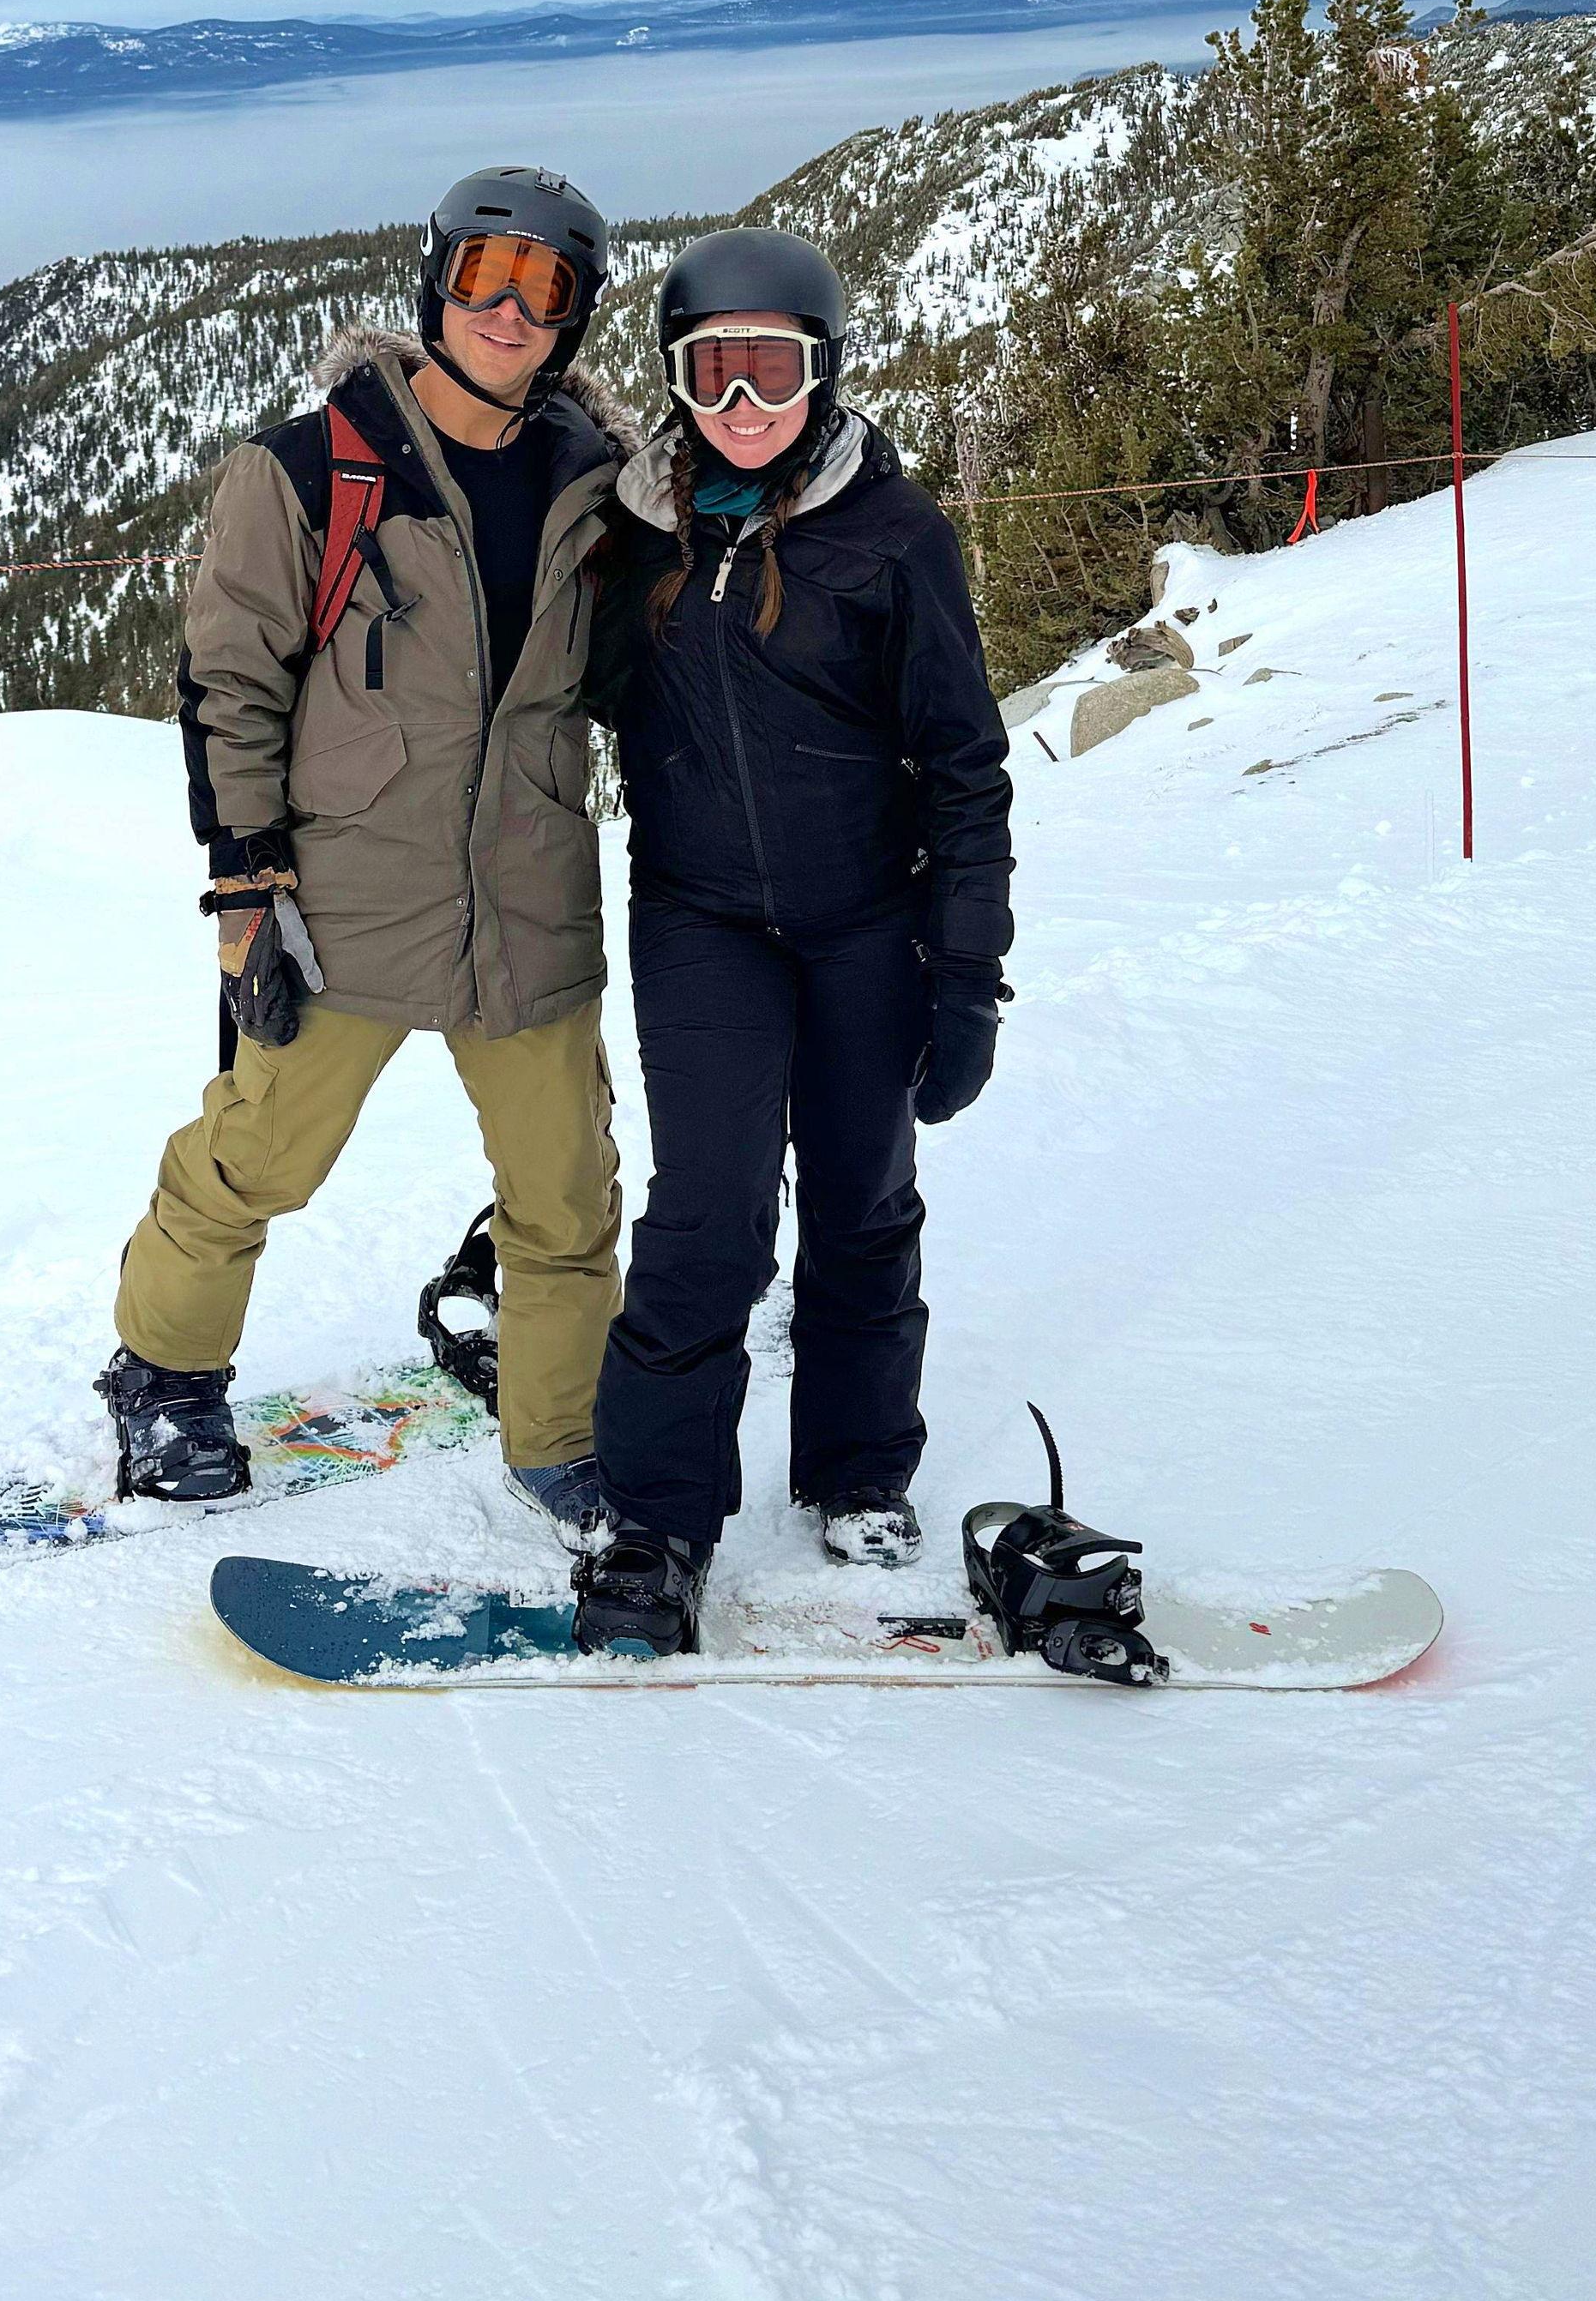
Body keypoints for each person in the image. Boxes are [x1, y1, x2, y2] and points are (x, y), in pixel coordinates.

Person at [94, 167, 635, 1539]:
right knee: (257, 1155)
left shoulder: (601, 490)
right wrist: (243, 879)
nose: (511, 311)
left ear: (575, 318)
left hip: (529, 901)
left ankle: (560, 1437)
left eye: (547, 287)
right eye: (485, 276)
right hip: (346, 893)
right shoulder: (312, 471)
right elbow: (232, 678)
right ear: (435, 284)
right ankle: (163, 1374)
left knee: (566, 1195)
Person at [564, 227, 1015, 1657]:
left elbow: (965, 771)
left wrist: (969, 978)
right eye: (713, 367)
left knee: (865, 1197)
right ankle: (659, 1514)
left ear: (824, 373)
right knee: (706, 1215)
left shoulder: (893, 535)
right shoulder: (633, 532)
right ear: (677, 375)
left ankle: (858, 1467)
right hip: (699, 918)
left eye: (774, 366)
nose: (743, 399)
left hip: (866, 922)